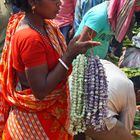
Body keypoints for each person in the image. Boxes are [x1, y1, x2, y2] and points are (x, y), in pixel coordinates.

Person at [0, 0, 101, 139]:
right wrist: (68, 55)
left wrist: (73, 51)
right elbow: (40, 91)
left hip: (46, 119)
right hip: (32, 126)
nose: (59, 3)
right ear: (33, 2)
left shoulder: (45, 27)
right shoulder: (30, 38)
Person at [73, 60, 136, 140]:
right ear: (138, 92)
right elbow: (126, 127)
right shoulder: (129, 86)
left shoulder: (108, 66)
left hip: (70, 108)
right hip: (93, 119)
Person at [75, 0, 140, 59]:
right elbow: (80, 46)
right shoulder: (99, 16)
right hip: (86, 63)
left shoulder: (114, 18)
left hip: (98, 61)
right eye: (133, 10)